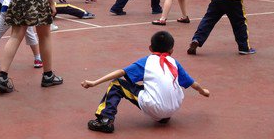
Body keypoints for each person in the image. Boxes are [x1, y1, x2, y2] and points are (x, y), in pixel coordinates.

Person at [82, 30, 210, 133]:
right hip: (174, 107)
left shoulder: (147, 61)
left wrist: (94, 82)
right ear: (171, 50)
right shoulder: (174, 62)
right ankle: (164, 117)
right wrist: (203, 91)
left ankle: (105, 119)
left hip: (155, 106)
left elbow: (121, 72)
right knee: (159, 85)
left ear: (150, 48)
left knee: (117, 84)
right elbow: (193, 83)